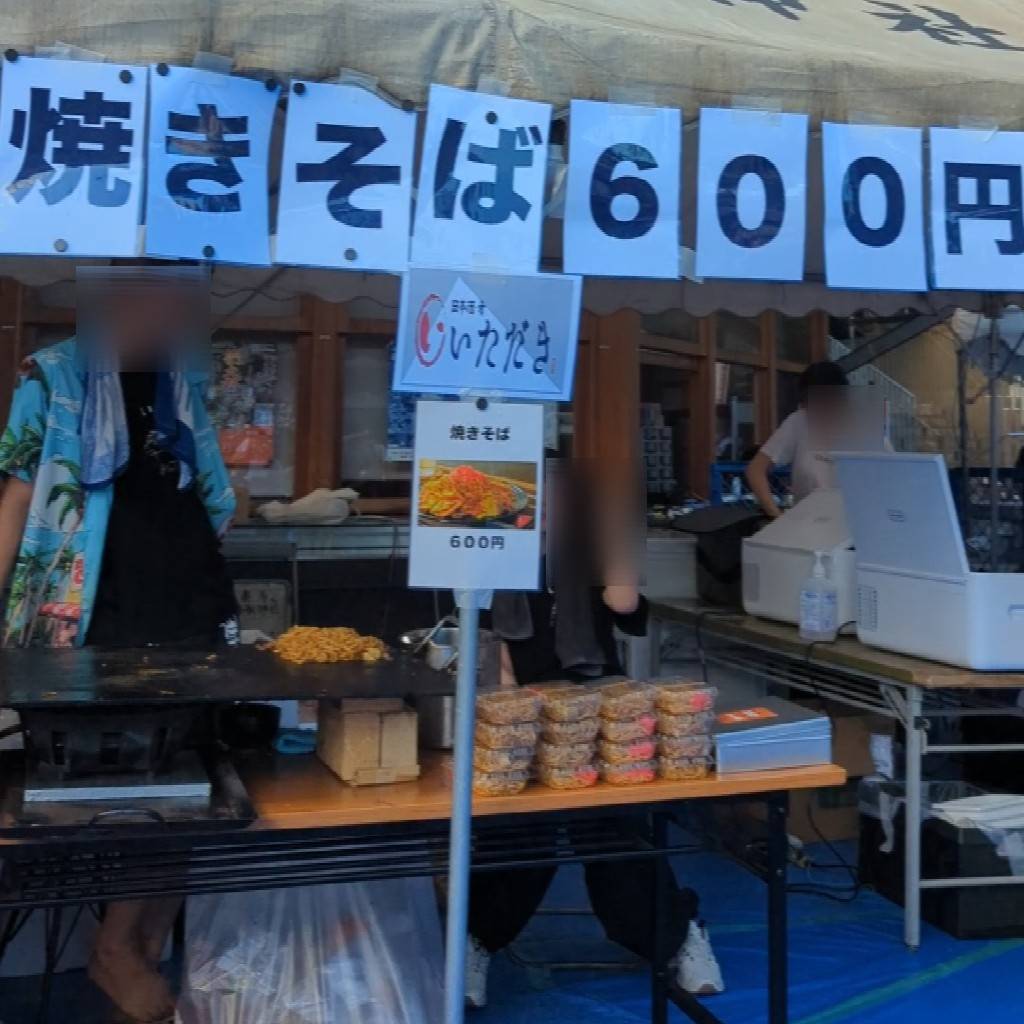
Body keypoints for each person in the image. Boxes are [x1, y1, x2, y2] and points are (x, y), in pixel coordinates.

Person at [0, 271, 237, 1023]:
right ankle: (114, 948)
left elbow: (209, 491)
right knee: (135, 790)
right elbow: (13, 501)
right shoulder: (53, 377)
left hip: (189, 608)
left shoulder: (182, 378)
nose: (165, 312)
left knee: (195, 788)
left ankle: (142, 946)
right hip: (94, 616)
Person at [464, 464, 724, 1010]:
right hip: (523, 711)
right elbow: (493, 645)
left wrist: (611, 541)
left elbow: (627, 608)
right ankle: (475, 942)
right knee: (523, 834)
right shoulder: (495, 549)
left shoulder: (593, 552)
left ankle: (678, 938)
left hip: (602, 711)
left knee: (616, 831)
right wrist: (514, 713)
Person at [745, 360, 849, 517]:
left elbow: (889, 477)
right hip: (807, 527)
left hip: (853, 528)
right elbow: (755, 470)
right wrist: (776, 516)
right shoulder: (798, 422)